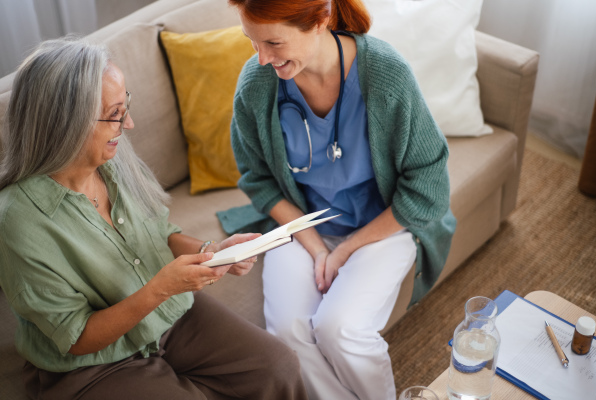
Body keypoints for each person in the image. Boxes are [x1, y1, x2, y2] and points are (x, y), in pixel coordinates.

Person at [0, 37, 308, 400]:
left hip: (166, 315)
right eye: (115, 114)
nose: (128, 124)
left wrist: (213, 250)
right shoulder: (17, 221)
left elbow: (160, 232)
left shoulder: (115, 161)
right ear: (65, 123)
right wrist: (161, 287)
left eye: (125, 106)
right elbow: (76, 338)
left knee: (278, 365)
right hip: (90, 366)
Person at [222, 0, 457, 399]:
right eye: (252, 43)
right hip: (302, 227)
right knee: (287, 334)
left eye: (274, 43)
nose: (262, 59)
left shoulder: (384, 74)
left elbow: (429, 185)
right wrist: (316, 248)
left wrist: (346, 248)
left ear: (321, 18)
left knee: (340, 328)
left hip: (381, 227)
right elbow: (258, 180)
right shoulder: (257, 85)